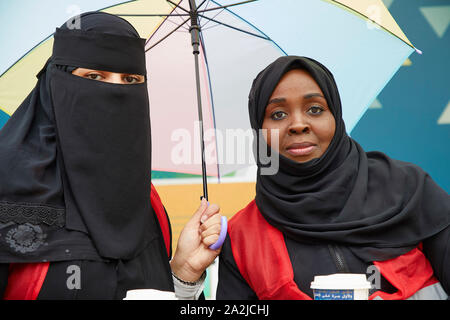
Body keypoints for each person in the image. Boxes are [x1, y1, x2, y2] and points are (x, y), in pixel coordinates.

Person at [0, 12, 223, 300]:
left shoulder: (147, 203)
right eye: (94, 76)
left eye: (130, 79)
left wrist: (184, 273)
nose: (115, 92)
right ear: (57, 83)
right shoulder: (7, 186)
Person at [216, 56, 450, 300]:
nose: (298, 125)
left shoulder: (408, 189)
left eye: (315, 109)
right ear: (258, 129)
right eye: (277, 114)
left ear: (336, 116)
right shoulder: (242, 238)